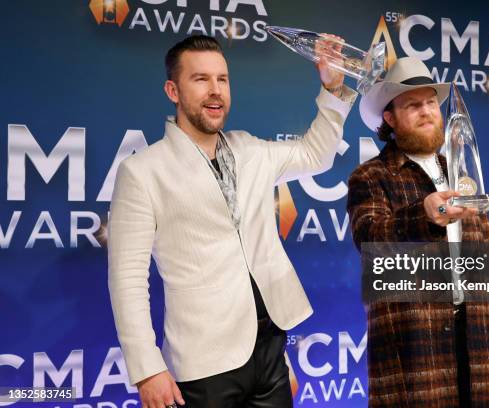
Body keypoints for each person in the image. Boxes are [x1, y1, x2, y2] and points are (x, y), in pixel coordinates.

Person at [108, 34, 356, 408]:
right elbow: (127, 277)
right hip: (203, 363)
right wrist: (147, 369)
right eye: (201, 79)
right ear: (172, 90)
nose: (215, 91)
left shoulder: (250, 149)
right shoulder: (142, 171)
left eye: (222, 79)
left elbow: (316, 154)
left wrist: (333, 86)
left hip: (269, 348)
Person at [347, 57, 489, 407]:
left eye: (430, 102)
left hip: (479, 335)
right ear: (390, 118)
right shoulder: (370, 176)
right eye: (413, 105)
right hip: (414, 342)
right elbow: (369, 238)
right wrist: (423, 215)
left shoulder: (460, 171)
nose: (426, 111)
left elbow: (487, 259)